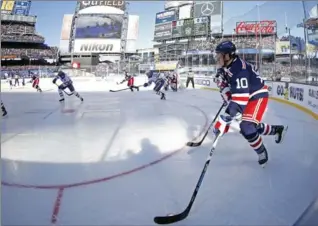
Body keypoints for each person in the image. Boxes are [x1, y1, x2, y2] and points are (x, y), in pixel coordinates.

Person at [212, 41, 288, 167]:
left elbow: (238, 101)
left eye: (220, 55)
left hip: (256, 96)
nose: (218, 58)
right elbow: (228, 84)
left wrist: (223, 121)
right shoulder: (230, 65)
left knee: (246, 127)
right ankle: (277, 130)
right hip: (247, 95)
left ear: (227, 56)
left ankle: (261, 152)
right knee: (251, 126)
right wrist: (223, 82)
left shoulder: (239, 70)